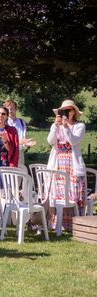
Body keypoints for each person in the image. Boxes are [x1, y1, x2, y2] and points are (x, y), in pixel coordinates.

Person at [47, 99, 87, 231]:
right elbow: (50, 141)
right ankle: (58, 224)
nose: (66, 113)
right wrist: (55, 126)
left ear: (73, 112)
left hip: (72, 163)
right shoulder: (57, 125)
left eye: (68, 110)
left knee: (73, 195)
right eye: (63, 111)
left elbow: (74, 141)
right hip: (58, 162)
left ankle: (76, 225)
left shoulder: (79, 126)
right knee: (59, 195)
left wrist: (65, 127)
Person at [4, 99, 36, 168]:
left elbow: (24, 137)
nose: (10, 111)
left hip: (19, 152)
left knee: (20, 174)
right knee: (10, 175)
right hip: (8, 153)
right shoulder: (4, 123)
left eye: (12, 109)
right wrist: (20, 141)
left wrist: (28, 142)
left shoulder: (21, 122)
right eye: (8, 109)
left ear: (16, 109)